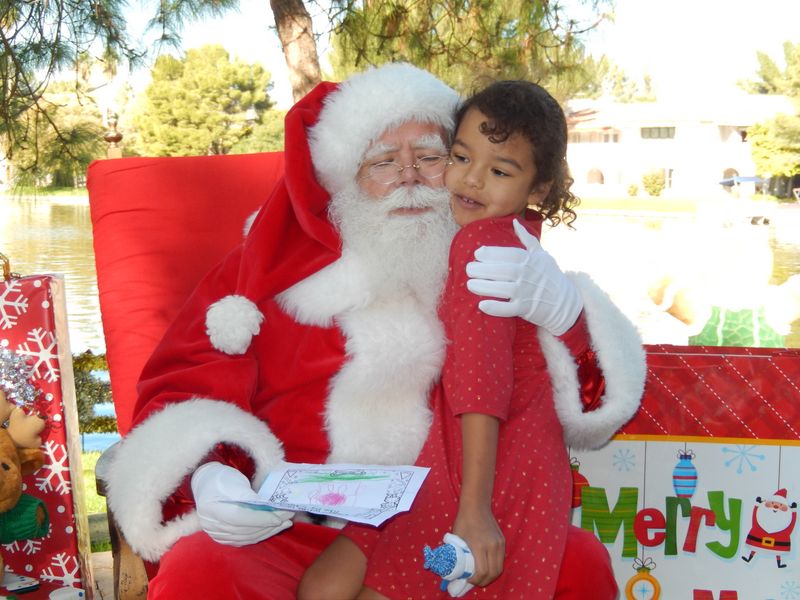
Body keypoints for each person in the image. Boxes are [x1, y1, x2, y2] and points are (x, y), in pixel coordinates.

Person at [104, 63, 646, 599]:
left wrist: (567, 316)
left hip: (454, 513)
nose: (409, 177)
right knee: (203, 569)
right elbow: (185, 386)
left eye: (430, 157)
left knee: (579, 563)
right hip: (292, 530)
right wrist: (213, 475)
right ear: (344, 177)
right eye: (383, 161)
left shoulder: (511, 272)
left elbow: (580, 411)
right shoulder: (261, 275)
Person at [298, 80, 623, 599]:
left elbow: (482, 385)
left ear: (538, 189)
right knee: (321, 587)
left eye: (499, 171)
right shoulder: (509, 235)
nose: (470, 180)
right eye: (460, 156)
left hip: (489, 463)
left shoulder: (481, 244)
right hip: (461, 452)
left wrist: (473, 509)